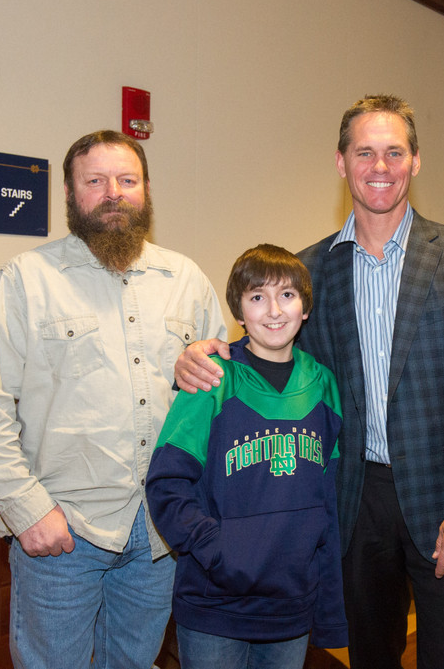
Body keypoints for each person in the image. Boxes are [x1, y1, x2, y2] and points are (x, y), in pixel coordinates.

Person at [176, 95, 444, 669]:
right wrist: (204, 354)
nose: (379, 166)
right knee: (370, 655)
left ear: (414, 161)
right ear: (341, 163)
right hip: (352, 502)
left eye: (393, 152)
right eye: (365, 152)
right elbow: (271, 347)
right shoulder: (311, 270)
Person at [0, 130, 227, 669]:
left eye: (127, 180)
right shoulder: (25, 280)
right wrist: (27, 509)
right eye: (95, 181)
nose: (113, 193)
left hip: (159, 534)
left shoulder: (186, 280)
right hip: (64, 532)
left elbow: (216, 401)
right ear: (69, 193)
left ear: (146, 190)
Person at [145, 244, 346, 669]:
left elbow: (328, 501)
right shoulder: (212, 378)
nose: (274, 310)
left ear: (305, 306)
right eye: (257, 297)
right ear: (238, 311)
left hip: (290, 604)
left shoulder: (323, 386)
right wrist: (217, 550)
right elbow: (166, 484)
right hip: (215, 602)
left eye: (287, 295)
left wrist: (325, 597)